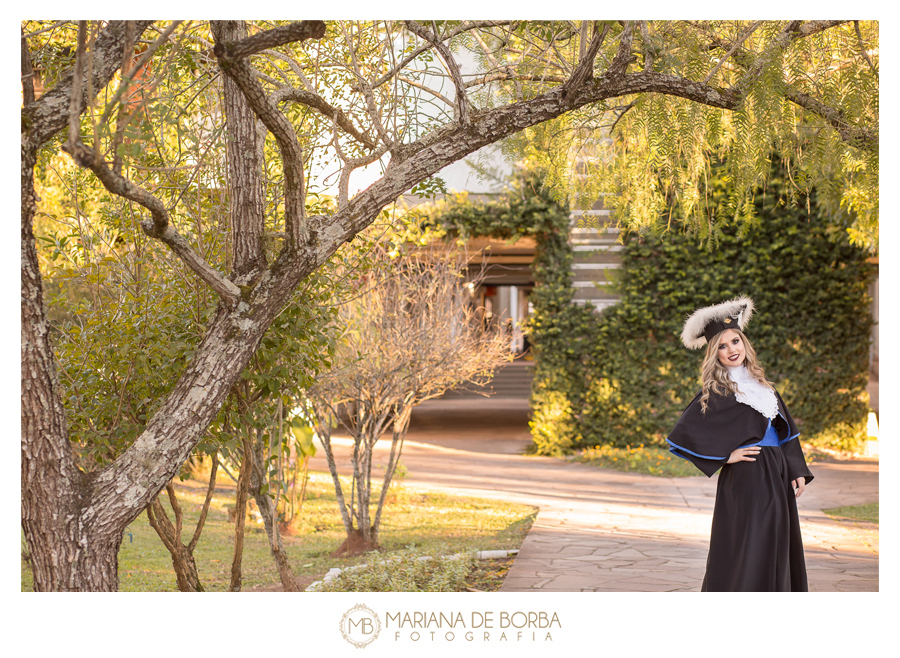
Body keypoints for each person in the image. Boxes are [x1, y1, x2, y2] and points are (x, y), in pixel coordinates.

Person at [667, 297, 814, 591]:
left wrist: (797, 468)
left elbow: (785, 432)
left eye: (735, 341)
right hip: (747, 476)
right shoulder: (718, 391)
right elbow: (683, 435)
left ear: (744, 343)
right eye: (722, 346)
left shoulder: (763, 387)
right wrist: (725, 457)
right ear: (714, 353)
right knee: (750, 541)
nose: (731, 350)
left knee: (776, 537)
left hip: (777, 473)